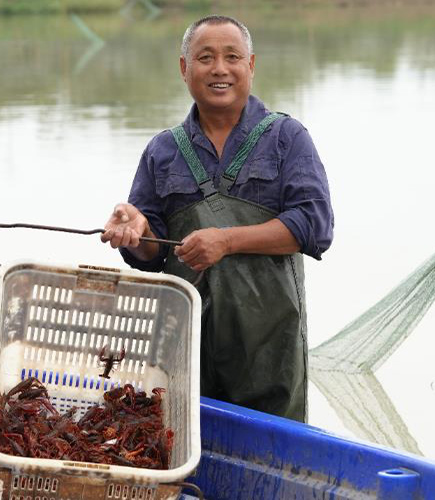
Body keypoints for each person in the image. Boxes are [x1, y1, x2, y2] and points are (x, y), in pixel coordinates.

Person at [101, 15, 333, 422]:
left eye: (232, 57)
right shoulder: (163, 149)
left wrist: (226, 241)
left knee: (272, 455)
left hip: (270, 347)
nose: (220, 69)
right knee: (184, 445)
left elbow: (313, 227)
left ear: (251, 65)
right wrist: (135, 229)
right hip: (184, 345)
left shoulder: (286, 138)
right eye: (205, 58)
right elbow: (153, 254)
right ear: (184, 68)